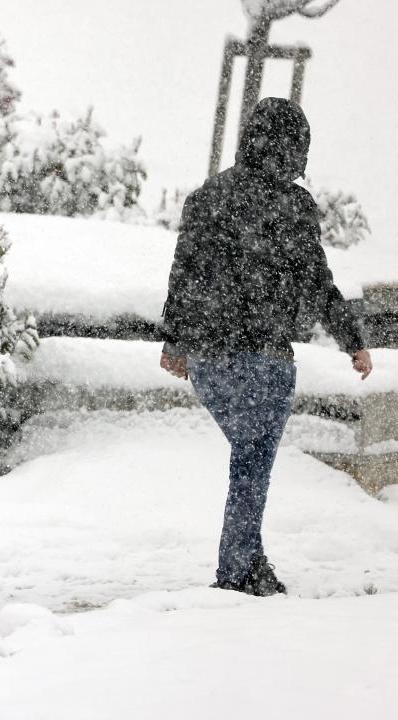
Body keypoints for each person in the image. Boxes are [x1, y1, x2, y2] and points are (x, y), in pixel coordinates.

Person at [159, 97, 373, 595]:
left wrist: (177, 342)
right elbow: (317, 282)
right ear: (295, 148)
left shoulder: (208, 197)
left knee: (249, 461)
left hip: (209, 357)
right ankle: (236, 571)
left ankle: (250, 564)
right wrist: (352, 340)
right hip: (266, 357)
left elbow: (184, 273)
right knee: (252, 463)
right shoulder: (294, 206)